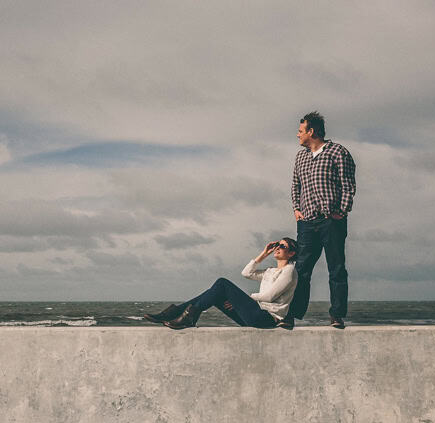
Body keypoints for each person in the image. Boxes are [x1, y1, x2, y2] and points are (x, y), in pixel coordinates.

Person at [282, 110, 356, 330]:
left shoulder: (338, 152)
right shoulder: (300, 156)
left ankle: (336, 315)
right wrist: (296, 208)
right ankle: (291, 316)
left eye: (300, 131)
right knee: (302, 269)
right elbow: (296, 185)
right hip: (306, 222)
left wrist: (342, 211)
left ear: (311, 131)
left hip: (331, 220)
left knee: (336, 268)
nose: (297, 135)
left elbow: (348, 185)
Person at [142, 238, 298, 329]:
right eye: (277, 245)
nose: (277, 248)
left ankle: (180, 314)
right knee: (217, 294)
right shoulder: (270, 271)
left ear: (291, 253)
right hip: (253, 314)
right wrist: (263, 254)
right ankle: (178, 313)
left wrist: (243, 300)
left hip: (267, 319)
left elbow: (270, 297)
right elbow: (247, 273)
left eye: (282, 246)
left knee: (222, 283)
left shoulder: (289, 271)